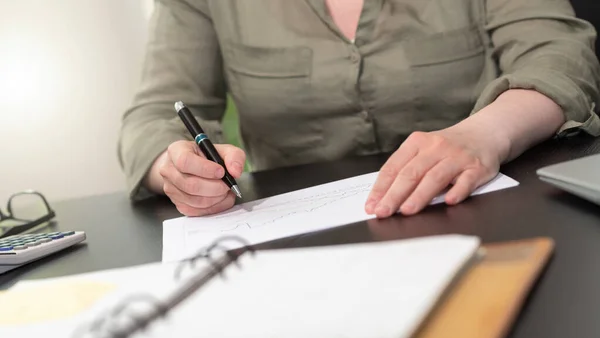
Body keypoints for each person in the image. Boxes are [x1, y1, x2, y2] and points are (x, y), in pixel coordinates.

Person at [118, 0, 600, 219]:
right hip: (296, 248)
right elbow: (154, 115)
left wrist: (486, 132)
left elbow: (559, 55)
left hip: (485, 211)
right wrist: (176, 169)